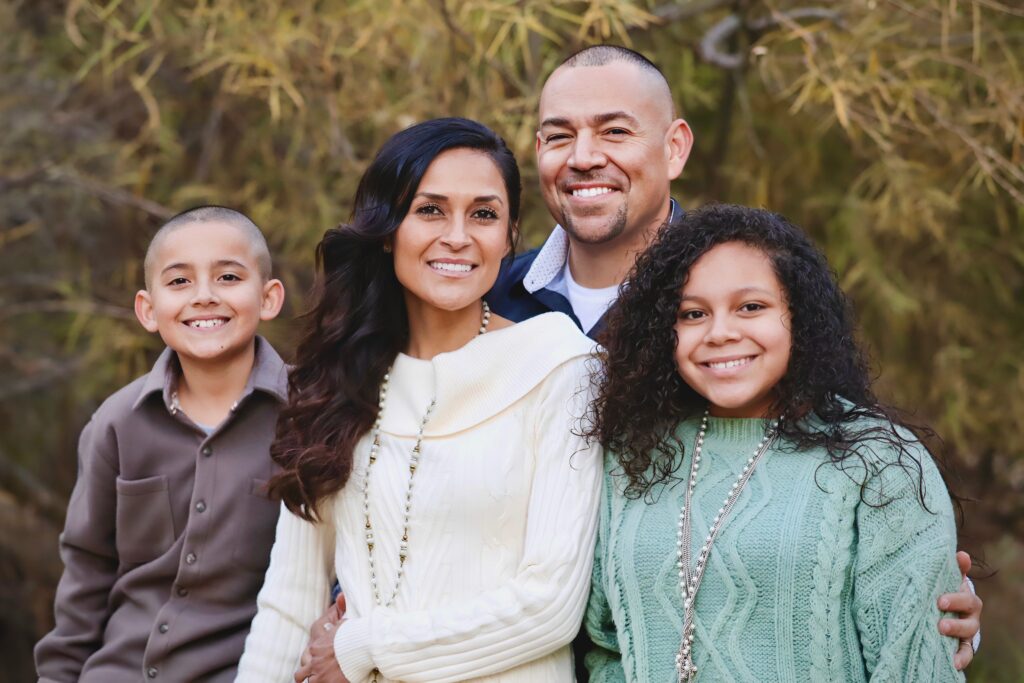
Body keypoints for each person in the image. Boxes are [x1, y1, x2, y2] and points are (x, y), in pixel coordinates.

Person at [486, 44, 982, 668]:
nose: (585, 156)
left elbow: (879, 597)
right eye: (559, 135)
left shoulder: (737, 273)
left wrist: (932, 604)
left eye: (614, 130)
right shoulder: (482, 305)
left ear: (674, 147)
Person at [234, 117, 602, 683]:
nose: (457, 236)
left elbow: (550, 606)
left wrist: (365, 646)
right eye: (430, 210)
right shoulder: (339, 377)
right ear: (388, 230)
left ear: (508, 237)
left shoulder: (560, 365)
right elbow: (288, 604)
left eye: (483, 214)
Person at [584, 204, 965, 681]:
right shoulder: (635, 455)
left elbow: (913, 663)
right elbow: (607, 649)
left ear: (798, 315)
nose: (720, 333)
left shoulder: (879, 460)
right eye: (693, 313)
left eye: (751, 307)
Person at [34, 206, 288, 682]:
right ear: (148, 310)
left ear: (269, 297)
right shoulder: (116, 424)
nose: (204, 297)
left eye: (229, 277)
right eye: (179, 282)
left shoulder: (309, 418)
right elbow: (87, 575)